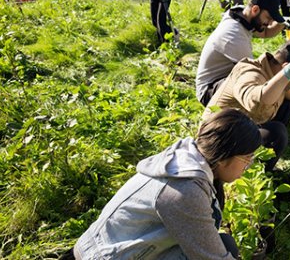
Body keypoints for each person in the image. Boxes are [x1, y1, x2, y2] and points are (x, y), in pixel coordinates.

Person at [72, 109, 261, 260]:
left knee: (225, 243)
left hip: (101, 249)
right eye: (246, 158)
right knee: (225, 247)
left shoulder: (186, 161)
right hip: (100, 256)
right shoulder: (185, 190)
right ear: (223, 155)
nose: (248, 165)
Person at [203, 40, 290, 171]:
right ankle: (254, 174)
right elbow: (259, 100)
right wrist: (286, 74)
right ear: (285, 67)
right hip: (219, 141)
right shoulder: (250, 72)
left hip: (246, 128)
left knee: (287, 106)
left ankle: (253, 164)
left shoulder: (282, 78)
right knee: (277, 133)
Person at [196, 0, 290, 106]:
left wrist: (283, 23)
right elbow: (254, 74)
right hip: (209, 90)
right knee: (262, 90)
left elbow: (265, 32)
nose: (269, 23)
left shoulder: (241, 15)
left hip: (224, 78)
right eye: (268, 18)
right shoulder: (234, 35)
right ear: (255, 10)